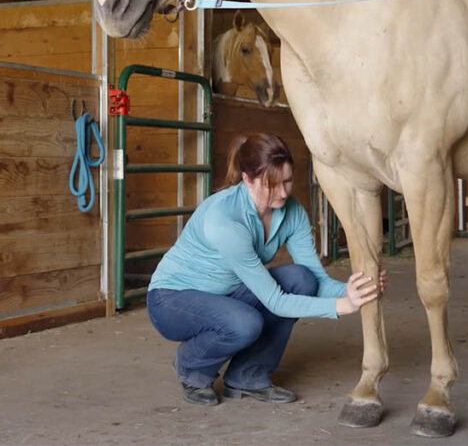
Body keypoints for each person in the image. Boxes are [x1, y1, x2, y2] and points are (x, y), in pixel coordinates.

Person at [146, 132, 386, 406]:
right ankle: (192, 366)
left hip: (226, 294)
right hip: (172, 300)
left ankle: (248, 376)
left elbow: (316, 280)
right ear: (247, 178)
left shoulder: (291, 211)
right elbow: (275, 301)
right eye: (272, 184)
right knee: (244, 323)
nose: (283, 192)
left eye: (287, 180)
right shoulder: (225, 221)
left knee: (300, 279)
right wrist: (342, 306)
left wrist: (358, 290)